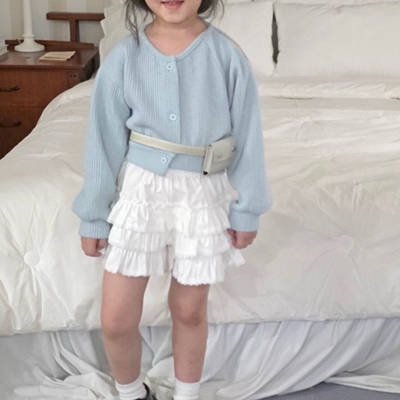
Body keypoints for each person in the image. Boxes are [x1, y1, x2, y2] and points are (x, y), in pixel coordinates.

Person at [72, 0, 272, 398]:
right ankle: (132, 393)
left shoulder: (226, 55)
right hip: (141, 193)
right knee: (115, 319)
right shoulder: (125, 56)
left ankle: (187, 394)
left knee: (189, 310)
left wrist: (247, 208)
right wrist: (93, 214)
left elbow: (248, 137)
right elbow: (103, 141)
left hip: (200, 194)